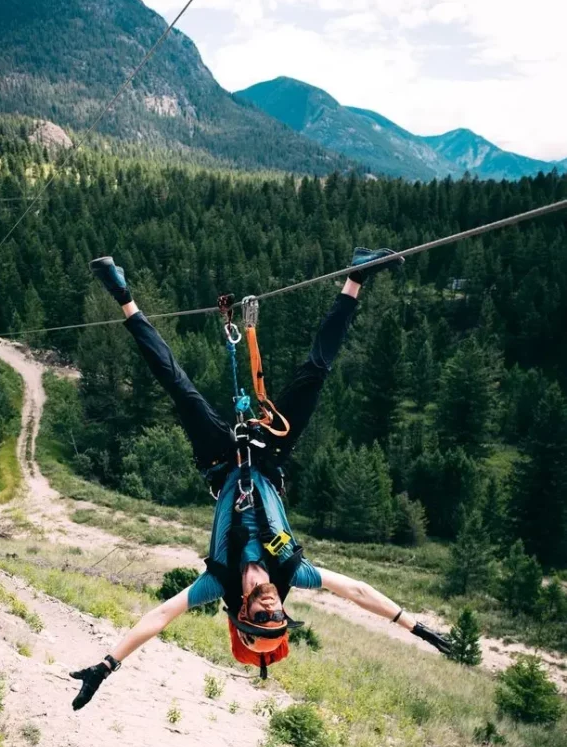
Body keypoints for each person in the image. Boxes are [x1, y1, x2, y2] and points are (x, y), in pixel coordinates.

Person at [70, 250, 451, 710]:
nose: (273, 607)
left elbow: (162, 615)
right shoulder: (293, 573)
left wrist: (106, 665)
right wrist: (413, 625)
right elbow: (356, 591)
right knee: (314, 374)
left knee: (176, 384)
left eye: (263, 616)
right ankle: (356, 276)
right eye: (279, 616)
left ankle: (122, 293)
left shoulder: (220, 583)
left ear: (242, 615)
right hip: (267, 458)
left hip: (221, 461)